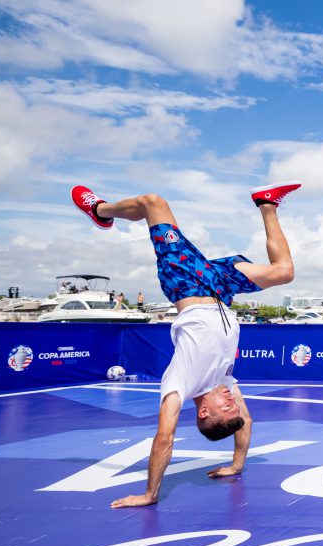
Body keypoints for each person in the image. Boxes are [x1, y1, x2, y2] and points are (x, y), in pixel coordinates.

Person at [70, 181, 300, 508]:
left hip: (185, 281)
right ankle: (267, 203)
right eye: (234, 403)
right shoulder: (223, 384)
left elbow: (165, 438)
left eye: (227, 406)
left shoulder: (180, 382)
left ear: (204, 410)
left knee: (152, 201)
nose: (232, 398)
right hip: (219, 289)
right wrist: (236, 464)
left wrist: (150, 494)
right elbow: (245, 421)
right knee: (284, 272)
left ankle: (99, 210)